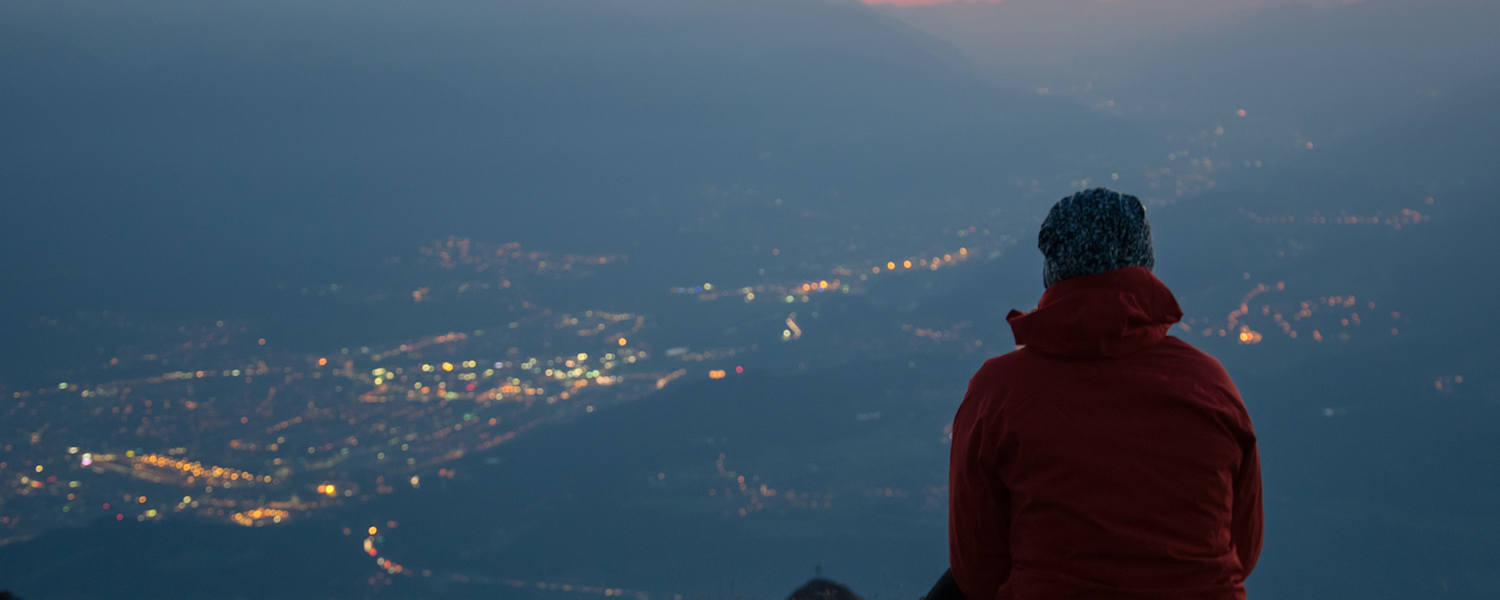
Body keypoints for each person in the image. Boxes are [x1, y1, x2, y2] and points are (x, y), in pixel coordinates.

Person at [939, 188, 1263, 600]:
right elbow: (1243, 546)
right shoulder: (1208, 383)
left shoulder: (998, 392)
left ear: (1052, 271)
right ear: (1145, 267)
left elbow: (976, 568)